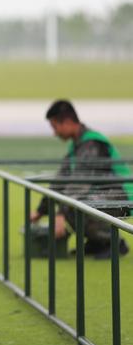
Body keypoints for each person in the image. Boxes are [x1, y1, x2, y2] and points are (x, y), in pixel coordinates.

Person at [30, 99, 131, 259]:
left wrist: (60, 214)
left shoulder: (91, 143)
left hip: (123, 195)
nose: (54, 133)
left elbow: (79, 184)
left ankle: (114, 243)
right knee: (73, 206)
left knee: (75, 207)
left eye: (55, 127)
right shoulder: (76, 145)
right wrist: (41, 210)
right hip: (105, 193)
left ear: (68, 122)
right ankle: (97, 242)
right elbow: (60, 181)